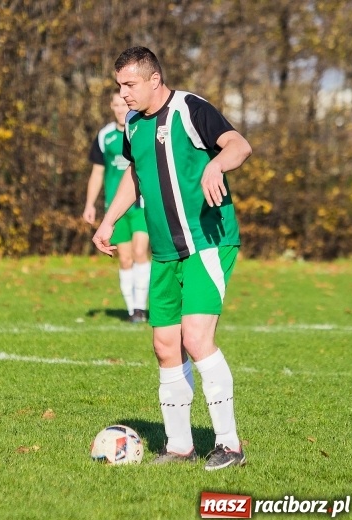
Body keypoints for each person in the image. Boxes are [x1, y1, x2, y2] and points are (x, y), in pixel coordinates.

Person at [92, 47, 252, 471]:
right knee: (165, 345)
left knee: (197, 339)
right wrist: (109, 219)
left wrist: (217, 165)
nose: (123, 94)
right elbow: (134, 172)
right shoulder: (131, 123)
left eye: (129, 85)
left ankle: (230, 445)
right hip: (164, 252)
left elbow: (239, 145)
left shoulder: (189, 108)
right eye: (118, 86)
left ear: (154, 80)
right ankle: (180, 446)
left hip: (206, 242)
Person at [83, 92, 150, 322]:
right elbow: (97, 173)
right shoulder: (105, 136)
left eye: (124, 104)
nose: (121, 109)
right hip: (116, 208)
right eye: (117, 105)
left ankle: (141, 307)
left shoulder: (141, 129)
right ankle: (132, 310)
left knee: (141, 252)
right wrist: (90, 204)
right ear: (111, 107)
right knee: (124, 258)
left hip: (141, 205)